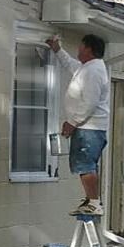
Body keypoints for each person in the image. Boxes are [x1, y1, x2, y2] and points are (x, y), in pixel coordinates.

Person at [46, 33, 110, 216]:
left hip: (89, 128)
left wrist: (72, 123)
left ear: (89, 49)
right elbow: (71, 65)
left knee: (85, 165)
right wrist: (57, 50)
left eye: (81, 47)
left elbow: (90, 102)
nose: (79, 50)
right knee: (86, 165)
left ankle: (94, 203)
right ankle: (92, 201)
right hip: (89, 127)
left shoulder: (94, 71)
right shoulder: (88, 68)